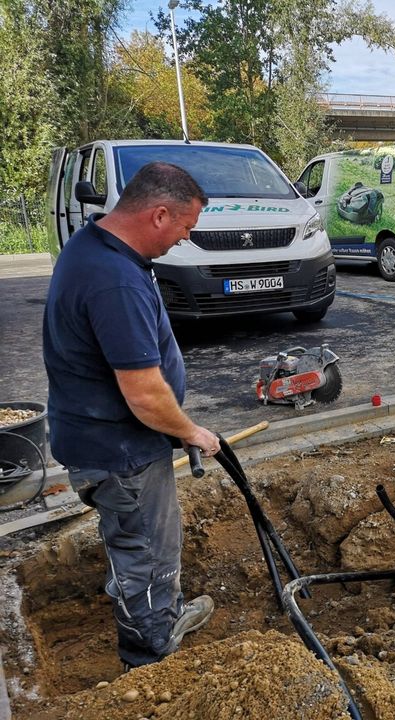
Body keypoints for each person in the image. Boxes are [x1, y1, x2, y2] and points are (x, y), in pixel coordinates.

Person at [43, 161, 221, 669]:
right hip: (121, 452)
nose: (184, 241)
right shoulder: (114, 281)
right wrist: (190, 431)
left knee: (134, 544)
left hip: (105, 439)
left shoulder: (94, 244)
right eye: (185, 229)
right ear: (159, 215)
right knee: (148, 558)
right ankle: (151, 655)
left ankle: (161, 616)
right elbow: (144, 394)